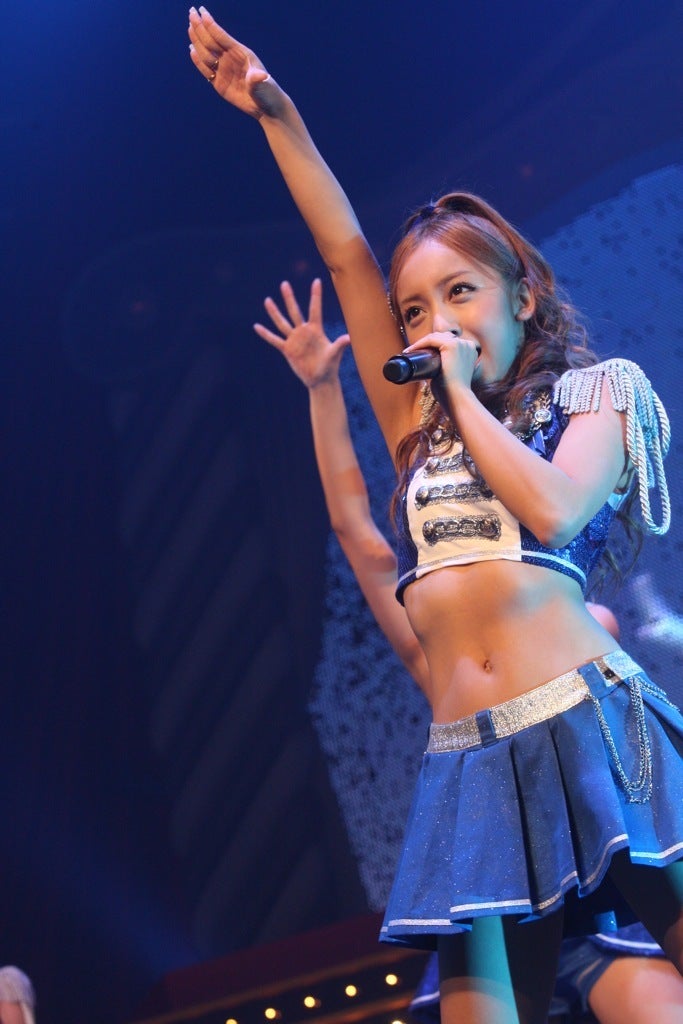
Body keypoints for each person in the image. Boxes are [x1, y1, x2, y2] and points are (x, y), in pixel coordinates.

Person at [188, 10, 683, 1022]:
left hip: (592, 720)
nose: (432, 323)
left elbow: (552, 507)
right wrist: (274, 110)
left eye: (459, 293)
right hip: (469, 761)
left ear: (522, 298)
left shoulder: (595, 393)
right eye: (414, 311)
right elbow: (344, 255)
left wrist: (456, 390)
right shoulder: (421, 430)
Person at [253, 277, 683, 1024]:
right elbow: (360, 537)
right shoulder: (443, 659)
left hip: (604, 916)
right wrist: (323, 389)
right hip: (494, 877)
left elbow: (555, 514)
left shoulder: (593, 691)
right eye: (416, 307)